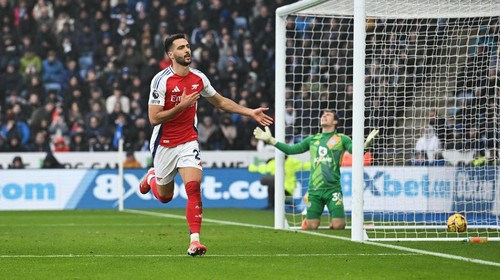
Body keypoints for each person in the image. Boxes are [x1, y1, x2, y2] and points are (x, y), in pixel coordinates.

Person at [138, 33, 273, 256]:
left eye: (188, 46)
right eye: (181, 48)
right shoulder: (160, 80)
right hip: (164, 142)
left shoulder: (199, 78)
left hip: (188, 140)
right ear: (171, 54)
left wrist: (250, 112)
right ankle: (151, 176)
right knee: (164, 197)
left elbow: (220, 102)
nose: (187, 50)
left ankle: (195, 241)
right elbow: (154, 119)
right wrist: (181, 106)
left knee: (193, 188)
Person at [254, 110, 377, 230]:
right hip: (314, 190)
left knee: (339, 226)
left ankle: (334, 223)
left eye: (328, 115)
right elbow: (290, 150)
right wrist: (271, 140)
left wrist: (365, 146)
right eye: (322, 115)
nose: (323, 116)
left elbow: (354, 151)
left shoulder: (342, 139)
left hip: (333, 190)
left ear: (335, 121)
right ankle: (308, 219)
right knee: (312, 226)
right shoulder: (312, 139)